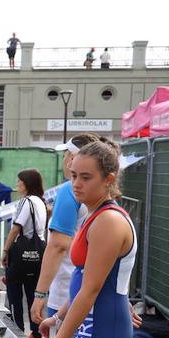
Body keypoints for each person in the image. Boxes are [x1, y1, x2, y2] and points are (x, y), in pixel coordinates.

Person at [41, 141, 137, 338]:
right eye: (73, 176)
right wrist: (58, 316)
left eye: (86, 177)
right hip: (101, 328)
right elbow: (88, 282)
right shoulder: (95, 215)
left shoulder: (108, 221)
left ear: (108, 179)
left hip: (99, 331)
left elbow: (92, 290)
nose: (76, 184)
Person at [31, 134, 101, 326]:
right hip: (91, 289)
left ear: (72, 159)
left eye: (66, 155)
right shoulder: (100, 189)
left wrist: (40, 293)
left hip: (67, 290)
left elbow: (58, 246)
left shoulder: (70, 190)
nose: (64, 160)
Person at [1, 169, 47, 338]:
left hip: (21, 253)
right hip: (38, 252)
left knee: (14, 293)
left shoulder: (25, 201)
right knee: (33, 293)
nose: (17, 184)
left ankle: (17, 332)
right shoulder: (41, 202)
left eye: (19, 181)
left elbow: (16, 228)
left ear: (26, 183)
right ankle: (36, 334)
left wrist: (5, 250)